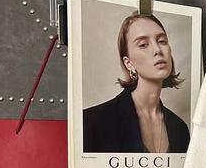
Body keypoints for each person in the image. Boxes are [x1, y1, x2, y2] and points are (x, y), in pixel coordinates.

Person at [82, 12, 191, 153]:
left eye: (162, 41)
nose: (157, 50)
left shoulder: (180, 129)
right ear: (128, 63)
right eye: (143, 45)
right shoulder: (92, 122)